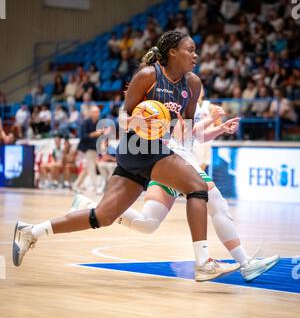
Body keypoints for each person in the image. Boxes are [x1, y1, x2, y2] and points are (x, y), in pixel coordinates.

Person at [13, 31, 239, 281]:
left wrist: (211, 126)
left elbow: (185, 129)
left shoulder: (192, 84)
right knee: (197, 187)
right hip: (137, 147)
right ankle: (204, 262)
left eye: (195, 50)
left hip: (159, 149)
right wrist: (138, 121)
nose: (195, 55)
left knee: (103, 216)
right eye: (190, 49)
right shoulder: (148, 76)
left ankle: (31, 231)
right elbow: (123, 118)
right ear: (172, 52)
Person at [72, 93, 280, 282]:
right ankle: (246, 263)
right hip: (175, 162)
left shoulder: (192, 104)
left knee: (148, 223)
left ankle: (92, 207)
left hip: (169, 162)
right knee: (217, 203)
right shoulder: (174, 99)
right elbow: (179, 133)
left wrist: (219, 129)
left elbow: (194, 137)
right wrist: (211, 119)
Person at [72, 106, 103, 193]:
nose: (98, 114)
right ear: (91, 113)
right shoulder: (85, 123)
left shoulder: (99, 122)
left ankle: (76, 185)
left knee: (87, 168)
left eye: (98, 112)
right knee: (91, 167)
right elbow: (83, 136)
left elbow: (100, 135)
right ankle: (96, 187)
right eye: (96, 112)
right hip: (86, 148)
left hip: (94, 148)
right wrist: (95, 134)